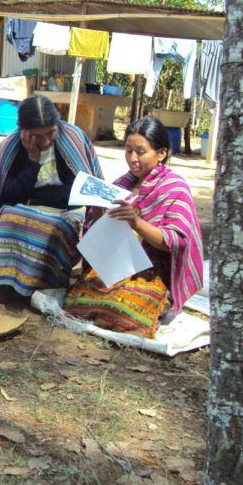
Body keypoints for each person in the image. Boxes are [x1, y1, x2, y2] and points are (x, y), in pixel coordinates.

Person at [64, 116, 204, 338]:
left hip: (153, 269)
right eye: (128, 150)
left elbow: (175, 242)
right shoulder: (121, 184)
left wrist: (136, 222)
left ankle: (158, 302)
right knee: (76, 304)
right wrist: (99, 209)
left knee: (123, 313)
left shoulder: (175, 188)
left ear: (161, 153)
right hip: (117, 263)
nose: (133, 158)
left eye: (141, 151)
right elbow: (100, 230)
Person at [0, 94, 103, 300]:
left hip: (68, 211)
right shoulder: (10, 146)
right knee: (8, 216)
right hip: (26, 207)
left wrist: (38, 198)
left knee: (57, 227)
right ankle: (8, 283)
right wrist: (33, 161)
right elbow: (6, 195)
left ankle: (49, 284)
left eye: (50, 133)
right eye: (37, 136)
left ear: (58, 124)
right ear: (23, 131)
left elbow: (83, 190)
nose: (45, 141)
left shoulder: (73, 138)